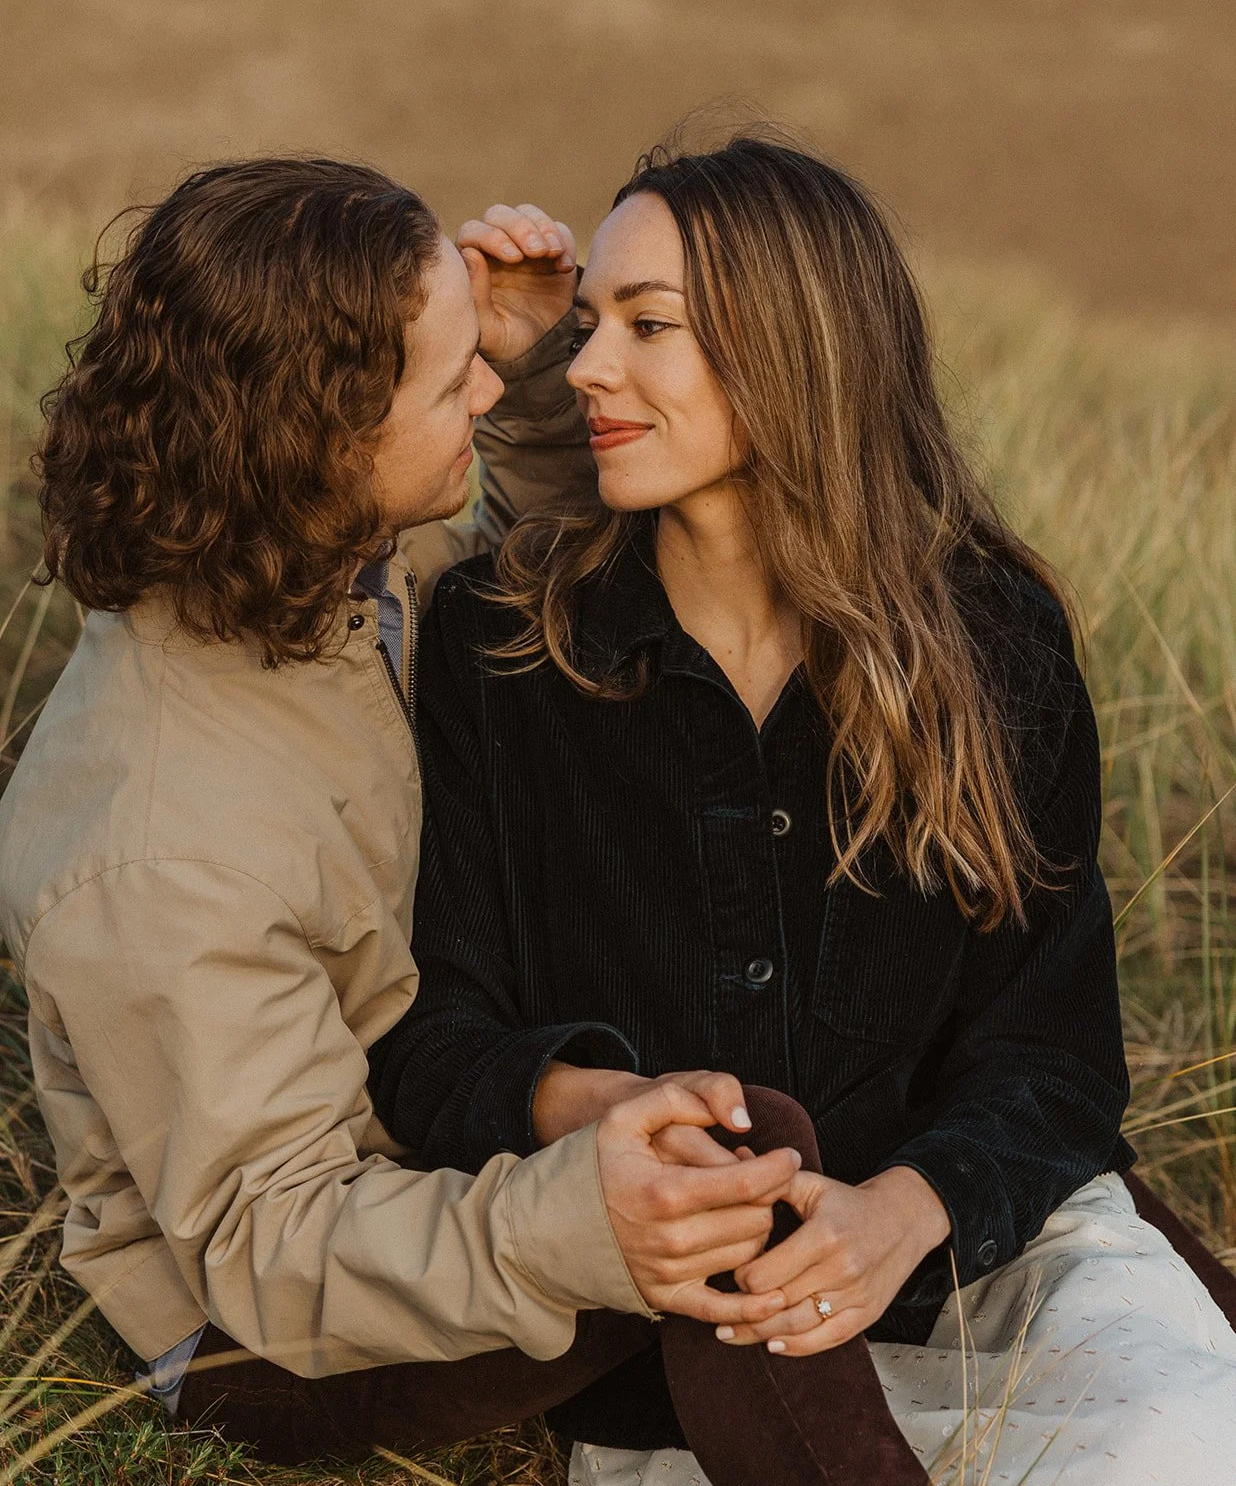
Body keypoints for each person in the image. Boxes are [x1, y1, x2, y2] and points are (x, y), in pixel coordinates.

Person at [368, 136, 1236, 1485]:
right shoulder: (502, 645)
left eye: (649, 328)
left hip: (984, 1261)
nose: (586, 367)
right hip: (675, 1317)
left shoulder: (992, 640)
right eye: (592, 324)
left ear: (795, 352)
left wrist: (905, 1209)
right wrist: (598, 1110)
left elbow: (1053, 1056)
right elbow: (432, 1036)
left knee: (1181, 1445)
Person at [0, 157, 812, 1467]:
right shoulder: (154, 852)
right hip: (277, 1334)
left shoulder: (310, 559)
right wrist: (578, 1224)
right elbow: (272, 1258)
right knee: (743, 1168)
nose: (485, 394)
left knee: (801, 1048)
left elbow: (545, 605)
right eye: (454, 386)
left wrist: (536, 368)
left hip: (439, 1070)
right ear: (324, 442)